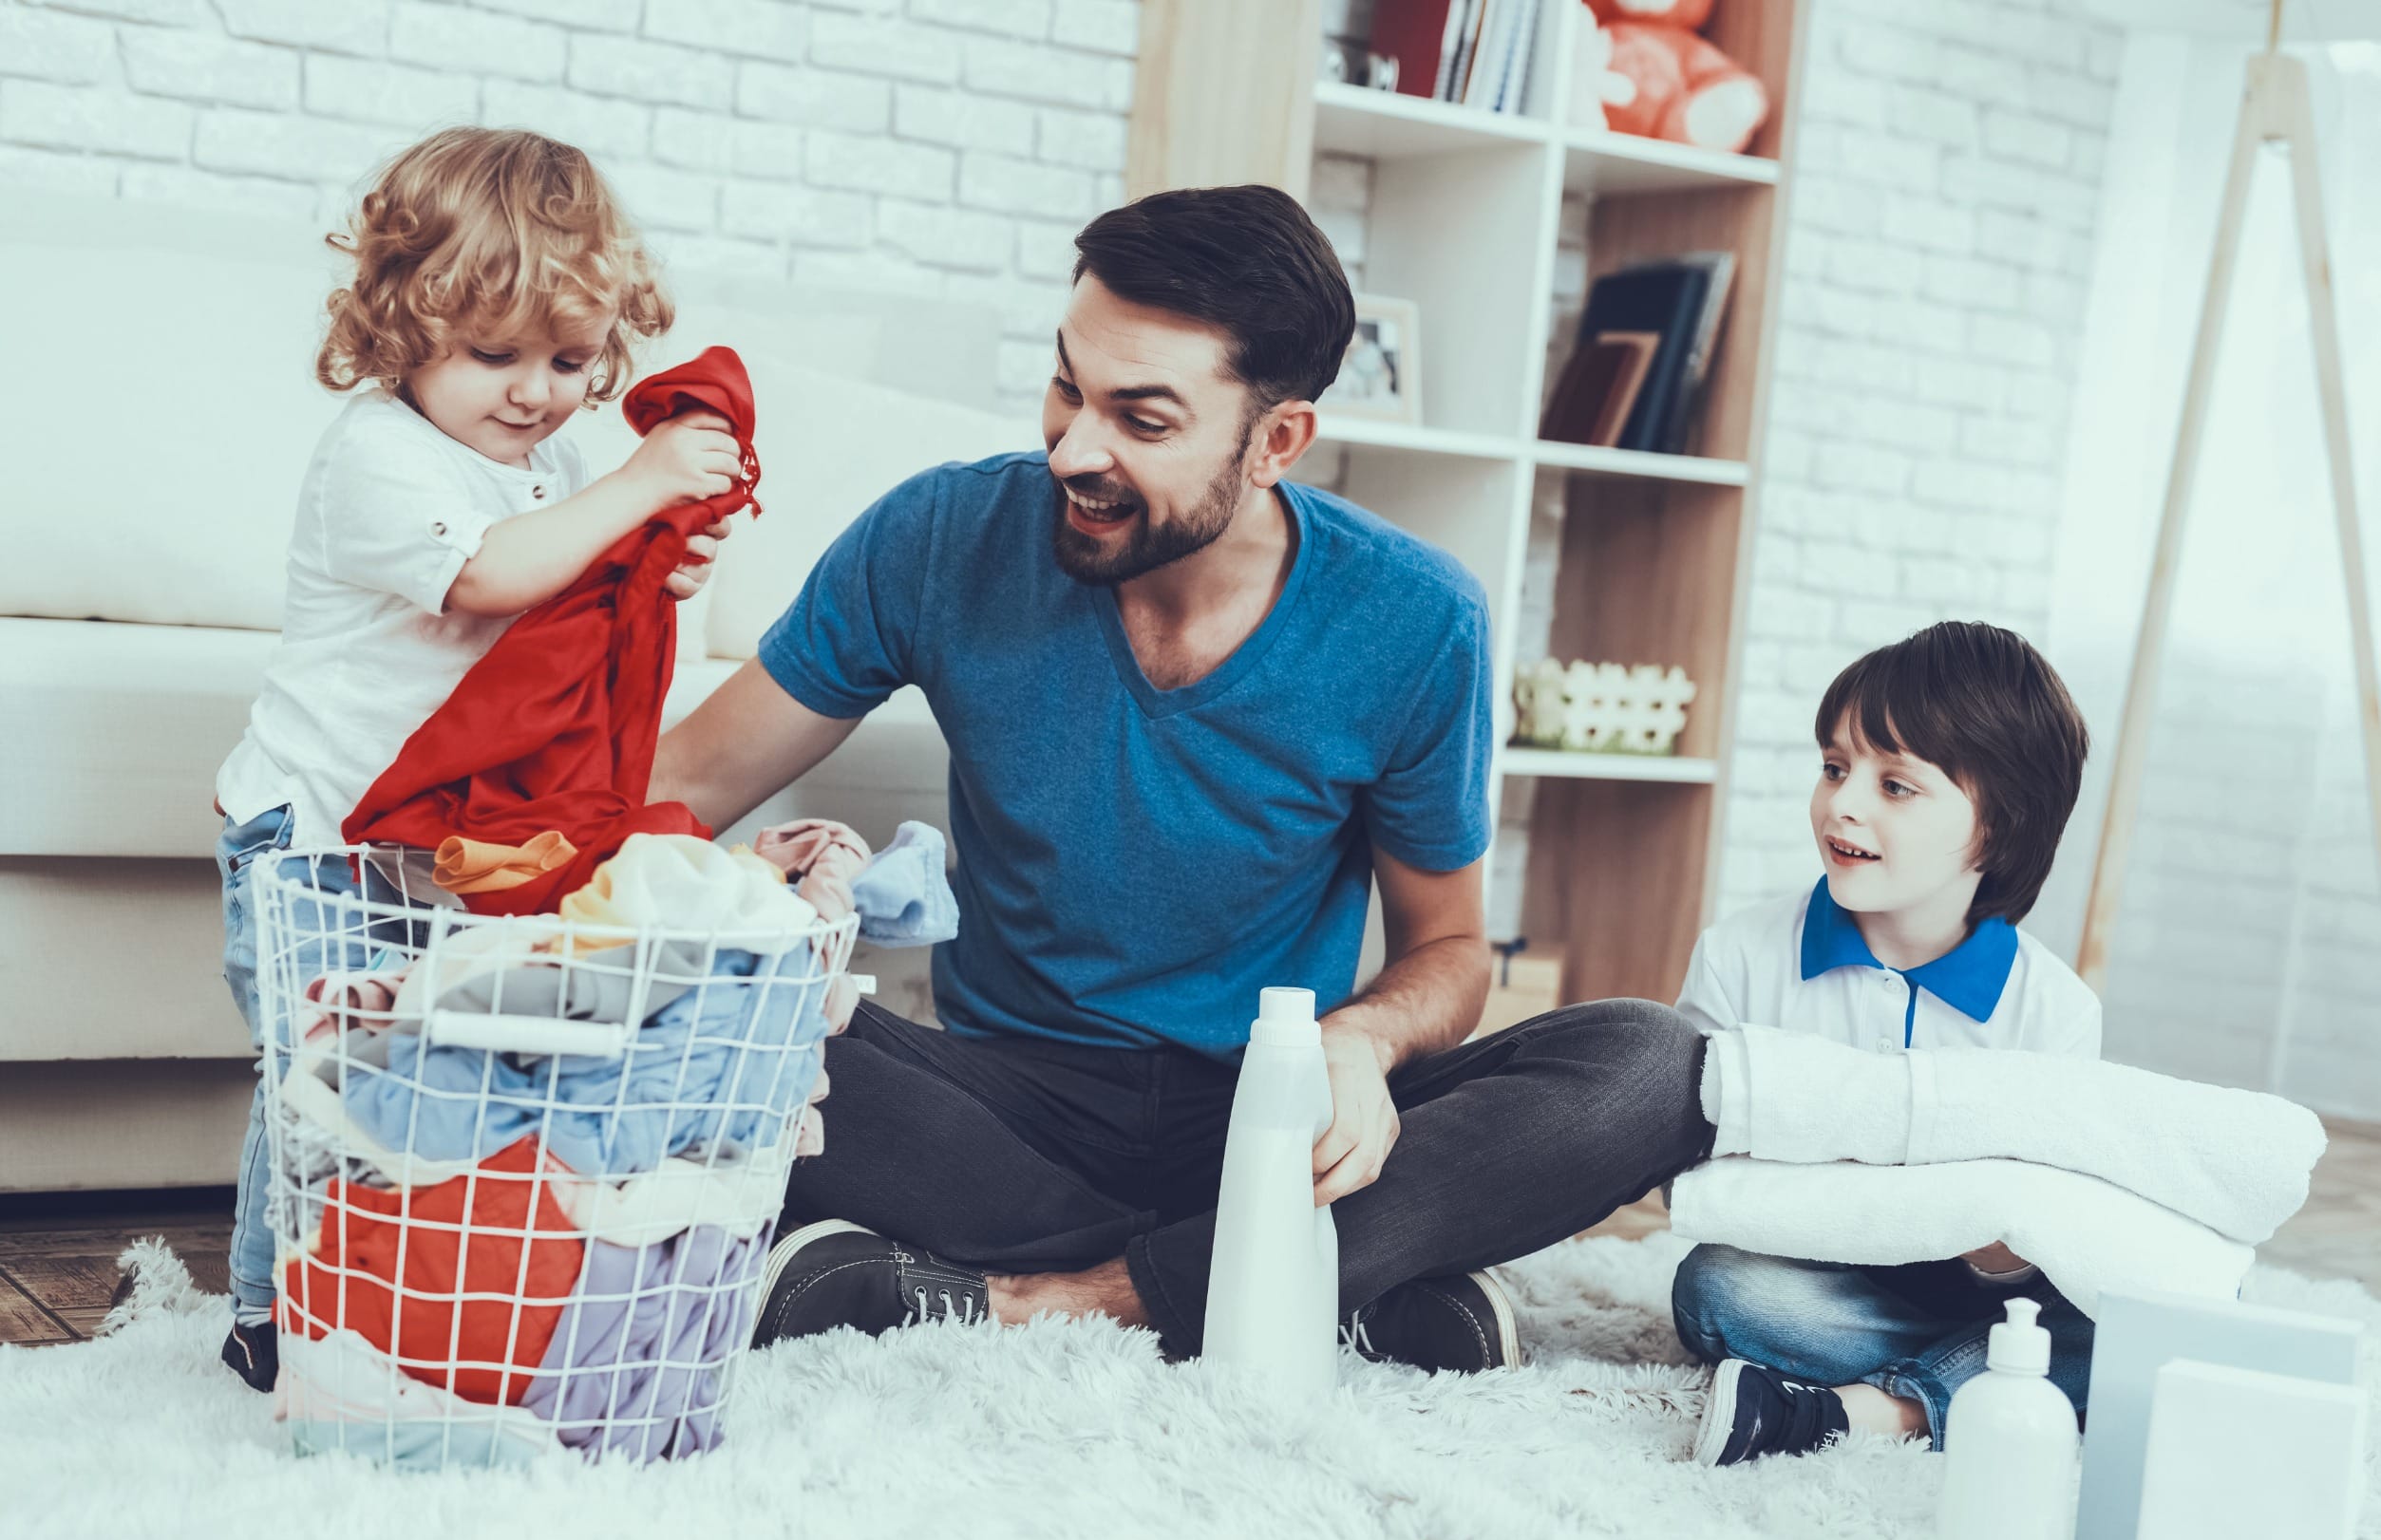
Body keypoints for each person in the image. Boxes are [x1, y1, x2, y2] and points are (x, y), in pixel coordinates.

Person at [653, 184, 1714, 1375]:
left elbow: (1450, 948)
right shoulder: (941, 536)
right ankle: (1306, 1277)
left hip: (1274, 1106)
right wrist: (544, 899)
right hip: (1007, 1102)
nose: (1072, 448)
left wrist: (1357, 1044)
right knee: (695, 1010)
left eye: (1140, 420)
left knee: (1655, 1062)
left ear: (1275, 442)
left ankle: (1049, 1298)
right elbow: (682, 783)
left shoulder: (1414, 621)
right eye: (1067, 385)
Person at [210, 126, 739, 1392]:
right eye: (492, 356)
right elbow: (490, 578)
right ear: (402, 330)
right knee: (322, 1083)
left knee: (417, 1074)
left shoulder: (545, 461)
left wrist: (652, 558)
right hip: (319, 841)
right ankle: (261, 1311)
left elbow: (568, 599)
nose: (534, 391)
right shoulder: (376, 457)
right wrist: (638, 482)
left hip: (436, 848)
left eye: (567, 359)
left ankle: (388, 1299)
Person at [1671, 620, 2100, 1464]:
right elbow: (1685, 1161)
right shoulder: (1742, 955)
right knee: (1719, 1286)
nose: (1842, 802)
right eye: (1834, 767)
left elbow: (2037, 1242)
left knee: (2122, 1331)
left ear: (2000, 823)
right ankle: (1945, 1398)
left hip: (1973, 1297)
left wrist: (2005, 1251)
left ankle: (1860, 1414)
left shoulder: (2053, 1009)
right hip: (1816, 1278)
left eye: (1894, 785)